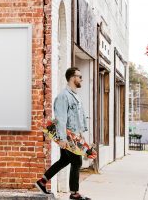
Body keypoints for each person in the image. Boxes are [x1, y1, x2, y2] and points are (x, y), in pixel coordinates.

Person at [35, 67, 91, 200]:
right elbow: (61, 119)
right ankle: (74, 193)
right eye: (79, 76)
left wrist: (81, 132)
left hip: (74, 135)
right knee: (77, 162)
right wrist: (62, 138)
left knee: (64, 160)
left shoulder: (75, 96)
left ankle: (42, 181)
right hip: (67, 136)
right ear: (72, 77)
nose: (81, 79)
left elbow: (78, 116)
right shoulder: (63, 96)